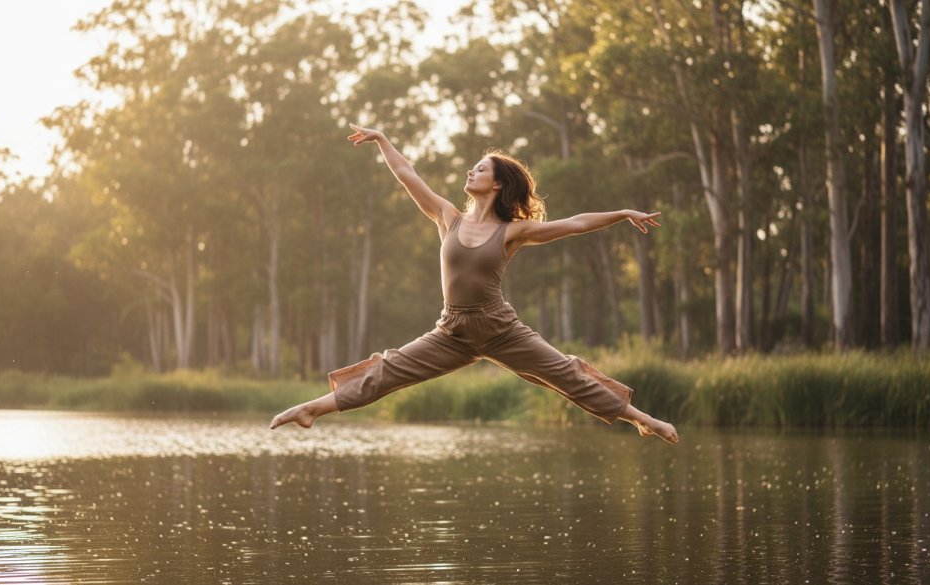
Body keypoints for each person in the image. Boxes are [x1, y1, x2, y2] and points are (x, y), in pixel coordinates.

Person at [270, 124, 678, 444]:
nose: (471, 171)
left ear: (497, 184)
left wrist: (622, 212)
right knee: (388, 370)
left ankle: (644, 421)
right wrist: (382, 140)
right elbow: (407, 175)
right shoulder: (448, 217)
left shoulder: (512, 232)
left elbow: (572, 225)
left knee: (566, 375)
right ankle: (312, 410)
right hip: (452, 332)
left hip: (500, 329)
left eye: (480, 169)